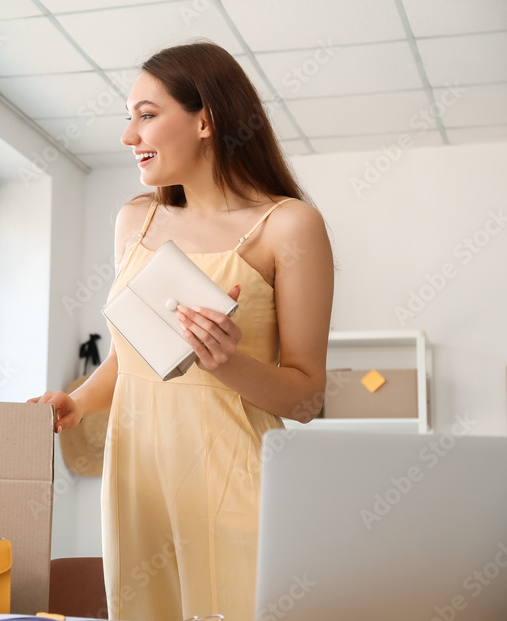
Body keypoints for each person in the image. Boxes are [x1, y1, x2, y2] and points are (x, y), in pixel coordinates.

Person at [29, 43, 334, 620]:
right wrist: (77, 401)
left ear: (205, 119)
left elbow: (309, 397)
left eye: (146, 114)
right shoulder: (133, 220)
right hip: (138, 484)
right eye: (129, 116)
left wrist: (228, 362)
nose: (127, 136)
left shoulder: (288, 225)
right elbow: (128, 360)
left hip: (234, 484)